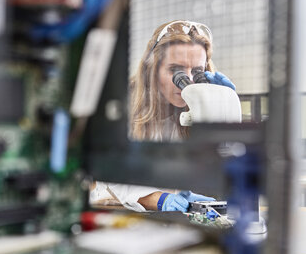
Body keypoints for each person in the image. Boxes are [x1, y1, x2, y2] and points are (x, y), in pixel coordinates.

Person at [91, 20, 236, 212]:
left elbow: (219, 166)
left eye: (198, 72)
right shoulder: (120, 105)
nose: (189, 82)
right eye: (176, 71)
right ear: (153, 69)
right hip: (113, 209)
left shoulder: (191, 111)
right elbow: (115, 174)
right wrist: (158, 199)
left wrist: (223, 112)